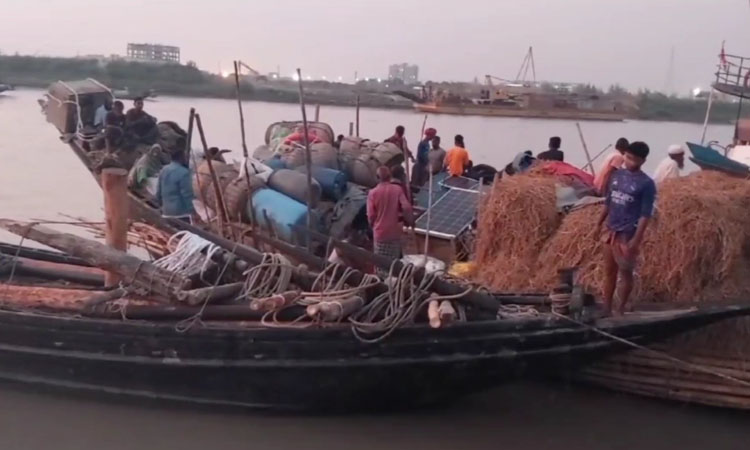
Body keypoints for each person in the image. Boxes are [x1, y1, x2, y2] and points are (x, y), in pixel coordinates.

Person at [596, 141, 656, 317]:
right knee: (609, 272)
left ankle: (620, 309)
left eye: (634, 159)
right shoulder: (617, 176)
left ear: (642, 161)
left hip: (627, 234)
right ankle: (606, 308)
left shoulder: (646, 184)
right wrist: (599, 224)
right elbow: (609, 201)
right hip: (611, 231)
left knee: (625, 273)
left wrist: (636, 240)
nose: (629, 162)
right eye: (627, 157)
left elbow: (645, 214)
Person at [367, 166, 413, 277]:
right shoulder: (397, 189)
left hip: (380, 233)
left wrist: (374, 225)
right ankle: (394, 286)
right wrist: (410, 221)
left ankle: (382, 286)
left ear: (377, 178)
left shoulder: (372, 193)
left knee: (380, 265)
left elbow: (371, 215)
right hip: (395, 232)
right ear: (389, 177)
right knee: (393, 263)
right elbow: (406, 207)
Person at [156, 148, 200, 223]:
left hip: (166, 212)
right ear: (181, 158)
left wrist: (161, 205)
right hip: (181, 214)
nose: (186, 158)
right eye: (185, 156)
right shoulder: (184, 173)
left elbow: (158, 191)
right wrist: (193, 212)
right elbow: (187, 195)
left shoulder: (164, 170)